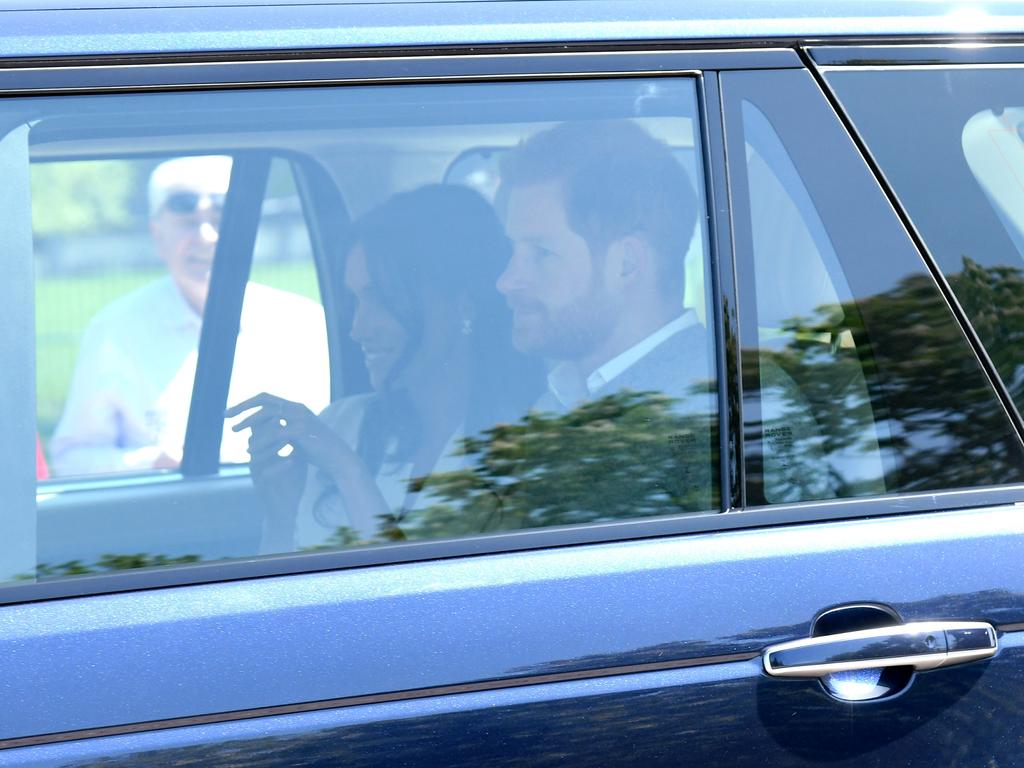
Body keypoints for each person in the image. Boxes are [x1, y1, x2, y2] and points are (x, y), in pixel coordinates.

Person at [227, 184, 539, 552]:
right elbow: (281, 596)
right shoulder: (341, 423)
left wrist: (350, 472)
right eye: (356, 300)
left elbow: (422, 604)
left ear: (462, 305)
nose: (358, 328)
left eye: (379, 298)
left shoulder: (527, 447)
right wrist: (280, 517)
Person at [49, 155, 329, 476]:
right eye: (187, 221)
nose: (206, 236)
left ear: (249, 233)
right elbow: (71, 459)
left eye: (222, 219)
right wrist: (151, 461)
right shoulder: (115, 330)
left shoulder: (305, 323)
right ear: (157, 234)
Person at [495, 120, 718, 510]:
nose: (507, 281)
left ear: (626, 263)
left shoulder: (708, 414)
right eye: (514, 251)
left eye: (541, 253)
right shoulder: (563, 398)